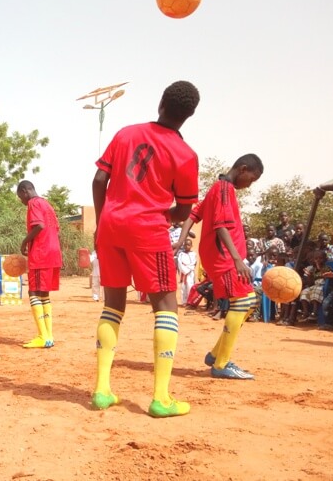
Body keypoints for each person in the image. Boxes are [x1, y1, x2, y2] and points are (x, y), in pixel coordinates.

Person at [91, 80, 200, 418]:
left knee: (113, 305)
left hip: (110, 226)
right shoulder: (186, 155)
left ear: (161, 103)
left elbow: (98, 181)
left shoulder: (126, 134)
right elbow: (183, 210)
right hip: (147, 230)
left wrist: (101, 222)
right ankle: (161, 398)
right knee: (166, 305)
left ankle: (101, 389)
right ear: (190, 115)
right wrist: (159, 213)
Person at [177, 154, 264, 380]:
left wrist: (180, 240)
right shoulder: (225, 189)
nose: (249, 185)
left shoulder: (218, 187)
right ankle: (221, 363)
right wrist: (236, 259)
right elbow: (221, 226)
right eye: (251, 179)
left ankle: (216, 354)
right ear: (243, 169)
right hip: (224, 258)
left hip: (221, 257)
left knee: (246, 301)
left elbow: (193, 214)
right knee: (244, 301)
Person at [16, 180, 63, 349]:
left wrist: (24, 242)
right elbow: (55, 228)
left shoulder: (33, 203)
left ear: (24, 191)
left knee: (34, 293)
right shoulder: (47, 205)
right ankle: (49, 336)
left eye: (20, 196)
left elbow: (39, 226)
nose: (21, 200)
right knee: (44, 294)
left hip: (41, 253)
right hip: (53, 252)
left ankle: (42, 336)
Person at [176, 238, 197, 307]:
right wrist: (185, 271)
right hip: (183, 273)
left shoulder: (193, 254)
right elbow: (180, 264)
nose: (186, 246)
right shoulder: (181, 254)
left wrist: (189, 269)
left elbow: (194, 263)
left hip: (190, 273)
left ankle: (190, 301)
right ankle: (184, 301)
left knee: (190, 286)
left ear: (191, 246)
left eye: (188, 245)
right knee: (183, 287)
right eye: (185, 245)